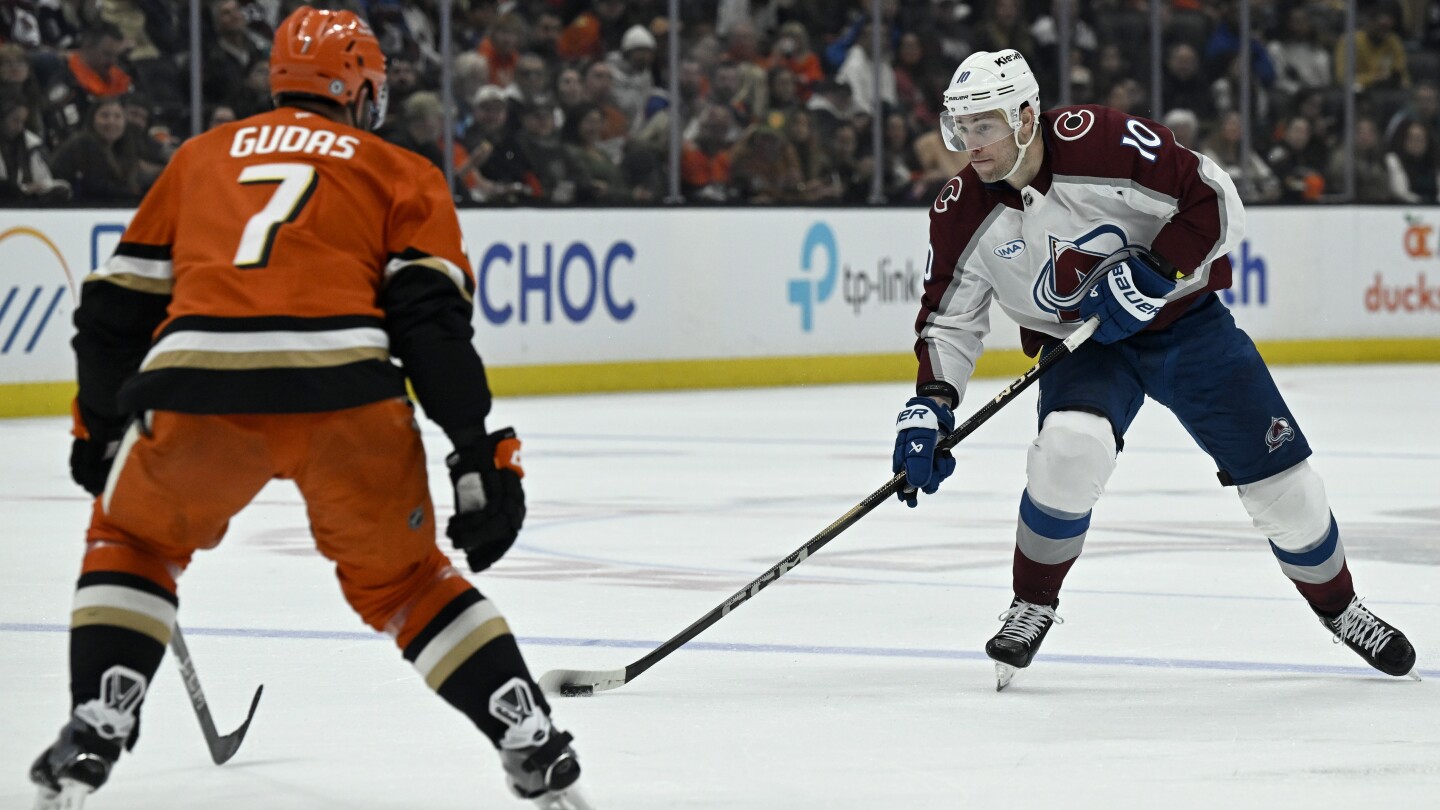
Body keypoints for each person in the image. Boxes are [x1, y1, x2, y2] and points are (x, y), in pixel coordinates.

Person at [28, 8, 592, 810]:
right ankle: (526, 735)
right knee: (408, 586)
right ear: (360, 88)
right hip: (346, 398)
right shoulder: (399, 170)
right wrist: (475, 447)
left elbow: (113, 312)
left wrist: (100, 422)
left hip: (199, 391)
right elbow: (429, 324)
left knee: (134, 541)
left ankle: (98, 723)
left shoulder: (199, 157)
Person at [891, 48, 1418, 692]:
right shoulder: (961, 211)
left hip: (1186, 325)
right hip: (1084, 347)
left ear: (1026, 117)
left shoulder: (1107, 144)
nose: (969, 145)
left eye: (984, 126)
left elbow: (1217, 201)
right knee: (1067, 450)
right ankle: (1032, 602)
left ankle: (1341, 608)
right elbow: (950, 320)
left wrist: (1156, 270)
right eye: (960, 128)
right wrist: (930, 405)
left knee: (1290, 491)